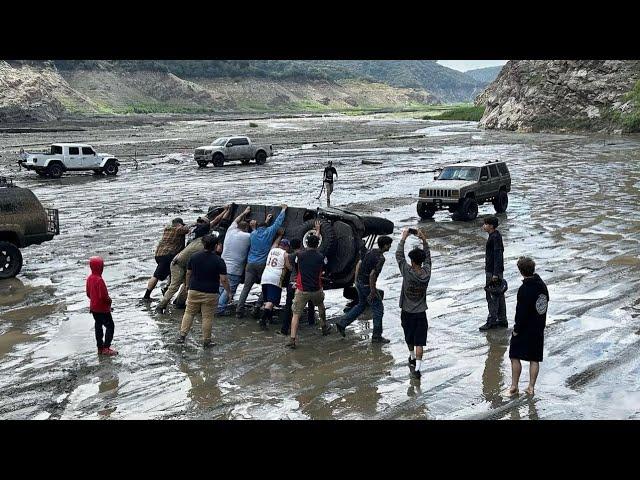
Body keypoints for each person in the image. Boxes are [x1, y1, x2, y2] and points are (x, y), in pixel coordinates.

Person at [335, 236, 393, 344]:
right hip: (367, 285)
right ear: (385, 245)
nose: (390, 246)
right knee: (378, 309)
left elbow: (359, 264)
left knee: (361, 305)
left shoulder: (370, 251)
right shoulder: (381, 258)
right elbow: (372, 275)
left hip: (360, 282)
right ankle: (376, 336)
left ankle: (342, 323)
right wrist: (373, 290)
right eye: (389, 244)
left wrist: (356, 280)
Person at [176, 235, 231, 348]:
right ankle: (207, 341)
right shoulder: (219, 261)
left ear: (203, 244)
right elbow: (224, 279)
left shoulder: (194, 257)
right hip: (211, 292)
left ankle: (182, 336)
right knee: (207, 317)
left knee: (189, 313)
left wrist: (187, 285)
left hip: (194, 290)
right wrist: (229, 292)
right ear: (215, 246)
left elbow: (188, 273)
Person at [506, 256, 549, 397]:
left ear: (521, 271)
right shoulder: (542, 285)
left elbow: (521, 313)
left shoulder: (524, 289)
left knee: (514, 355)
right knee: (534, 359)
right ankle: (531, 387)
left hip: (525, 329)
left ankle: (514, 386)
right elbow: (544, 303)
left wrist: (516, 330)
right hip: (538, 328)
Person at [236, 204, 288, 318]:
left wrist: (265, 221)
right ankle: (258, 306)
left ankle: (239, 310)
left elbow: (259, 230)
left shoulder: (253, 234)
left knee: (246, 288)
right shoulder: (269, 232)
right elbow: (278, 223)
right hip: (262, 264)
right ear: (266, 227)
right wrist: (283, 210)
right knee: (265, 286)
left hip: (250, 264)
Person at [286, 222, 331, 349]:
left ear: (306, 244)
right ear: (317, 245)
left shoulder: (299, 256)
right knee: (321, 307)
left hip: (302, 289)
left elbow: (293, 263)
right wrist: (318, 230)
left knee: (296, 314)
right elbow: (325, 267)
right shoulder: (321, 257)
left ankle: (292, 339)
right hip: (316, 288)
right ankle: (323, 327)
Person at [396, 228, 431, 380]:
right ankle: (417, 368)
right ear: (421, 261)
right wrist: (424, 239)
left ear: (412, 261)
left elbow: (398, 255)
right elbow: (429, 257)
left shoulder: (406, 271)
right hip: (420, 312)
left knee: (409, 337)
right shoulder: (427, 272)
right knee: (420, 342)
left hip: (407, 311)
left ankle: (411, 357)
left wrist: (403, 238)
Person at [143, 218, 191, 300]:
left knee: (171, 272)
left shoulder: (167, 229)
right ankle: (146, 296)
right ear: (179, 224)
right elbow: (186, 229)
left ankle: (166, 290)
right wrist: (192, 224)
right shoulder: (178, 230)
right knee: (156, 275)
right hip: (167, 256)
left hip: (159, 254)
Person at [217, 206, 252, 315]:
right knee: (229, 290)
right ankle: (219, 309)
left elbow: (236, 220)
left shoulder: (230, 230)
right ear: (246, 228)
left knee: (221, 287)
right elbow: (257, 236)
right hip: (235, 269)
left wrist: (244, 213)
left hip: (222, 265)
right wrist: (254, 227)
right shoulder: (248, 236)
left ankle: (214, 306)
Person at [280, 238, 315, 336]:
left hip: (292, 282)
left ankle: (284, 329)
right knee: (310, 301)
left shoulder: (289, 256)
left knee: (288, 306)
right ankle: (311, 322)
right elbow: (313, 247)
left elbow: (288, 267)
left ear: (291, 246)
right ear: (300, 245)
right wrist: (317, 232)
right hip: (303, 283)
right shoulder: (304, 254)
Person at [479, 216, 508, 331]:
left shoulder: (495, 238)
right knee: (499, 295)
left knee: (492, 296)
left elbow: (498, 256)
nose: (484, 226)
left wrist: (495, 274)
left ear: (491, 226)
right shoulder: (495, 236)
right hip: (494, 271)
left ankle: (491, 321)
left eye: (485, 224)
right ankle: (502, 319)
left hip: (493, 272)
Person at [86, 256, 118, 356]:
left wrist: (94, 301)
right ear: (100, 267)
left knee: (98, 325)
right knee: (110, 326)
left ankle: (100, 347)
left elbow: (88, 293)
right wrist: (109, 302)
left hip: (94, 308)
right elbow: (104, 297)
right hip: (102, 309)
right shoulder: (99, 280)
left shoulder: (89, 278)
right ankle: (106, 347)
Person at [259, 237, 290, 329]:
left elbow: (274, 244)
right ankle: (263, 320)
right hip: (275, 278)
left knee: (267, 300)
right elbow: (289, 267)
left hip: (265, 276)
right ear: (286, 247)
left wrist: (279, 236)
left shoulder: (272, 250)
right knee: (271, 301)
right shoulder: (285, 254)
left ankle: (270, 318)